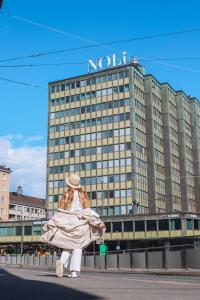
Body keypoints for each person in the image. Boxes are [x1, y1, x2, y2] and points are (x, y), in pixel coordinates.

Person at [54, 173, 103, 279]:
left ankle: (62, 263)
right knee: (77, 246)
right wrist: (95, 218)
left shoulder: (66, 194)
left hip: (68, 221)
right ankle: (74, 272)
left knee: (67, 245)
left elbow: (60, 210)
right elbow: (87, 209)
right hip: (80, 222)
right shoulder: (83, 194)